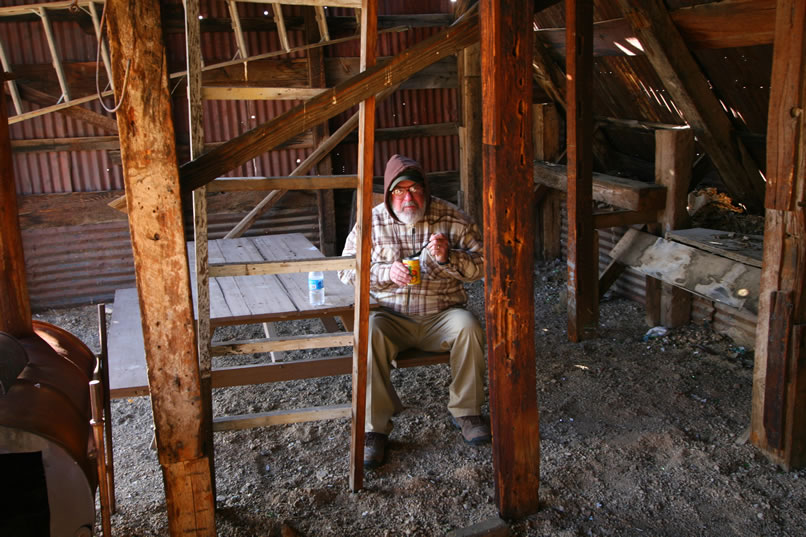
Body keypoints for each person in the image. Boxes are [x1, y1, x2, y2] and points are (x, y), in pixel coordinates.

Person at [339, 154, 489, 469]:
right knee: (368, 333)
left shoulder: (452, 217)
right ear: (389, 193)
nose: (409, 198)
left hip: (442, 314)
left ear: (426, 190)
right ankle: (374, 429)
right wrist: (384, 273)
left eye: (415, 189)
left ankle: (467, 412)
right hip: (391, 316)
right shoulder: (372, 221)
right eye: (399, 190)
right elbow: (346, 270)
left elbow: (484, 265)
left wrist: (451, 258)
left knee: (469, 327)